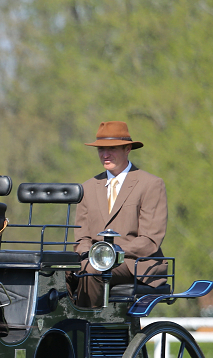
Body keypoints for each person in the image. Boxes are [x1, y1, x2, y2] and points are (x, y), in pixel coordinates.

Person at [67, 121, 168, 307]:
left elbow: (150, 240)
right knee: (56, 271)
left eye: (111, 148)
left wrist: (108, 255)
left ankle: (87, 328)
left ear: (127, 148)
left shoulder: (150, 184)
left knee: (93, 271)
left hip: (134, 263)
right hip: (94, 260)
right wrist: (91, 254)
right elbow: (81, 238)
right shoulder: (87, 187)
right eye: (100, 150)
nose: (105, 155)